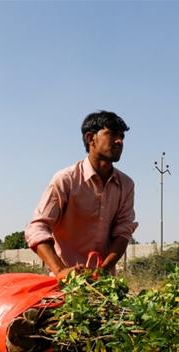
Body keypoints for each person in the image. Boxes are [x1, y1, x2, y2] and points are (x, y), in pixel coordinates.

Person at [25, 110, 137, 278]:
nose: (119, 141)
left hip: (103, 284)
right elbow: (37, 228)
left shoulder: (126, 185)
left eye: (122, 136)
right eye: (112, 134)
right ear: (90, 138)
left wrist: (103, 271)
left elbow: (123, 232)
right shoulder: (66, 180)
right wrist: (61, 271)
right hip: (64, 285)